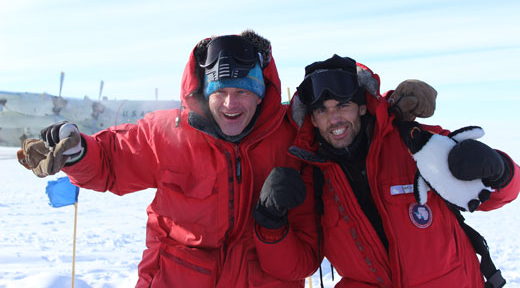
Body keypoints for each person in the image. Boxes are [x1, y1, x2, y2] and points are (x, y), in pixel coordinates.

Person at [18, 33, 435, 287]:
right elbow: (109, 160)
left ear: (262, 91)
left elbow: (342, 116)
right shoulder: (167, 132)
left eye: (244, 89)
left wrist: (391, 105)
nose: (231, 103)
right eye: (221, 90)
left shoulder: (295, 139)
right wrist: (75, 152)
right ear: (204, 91)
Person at [253, 54, 520, 287]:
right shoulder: (313, 177)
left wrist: (500, 171)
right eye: (322, 110)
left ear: (361, 107)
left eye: (342, 105)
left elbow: (496, 194)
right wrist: (271, 223)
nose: (333, 118)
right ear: (311, 118)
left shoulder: (413, 143)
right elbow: (298, 265)